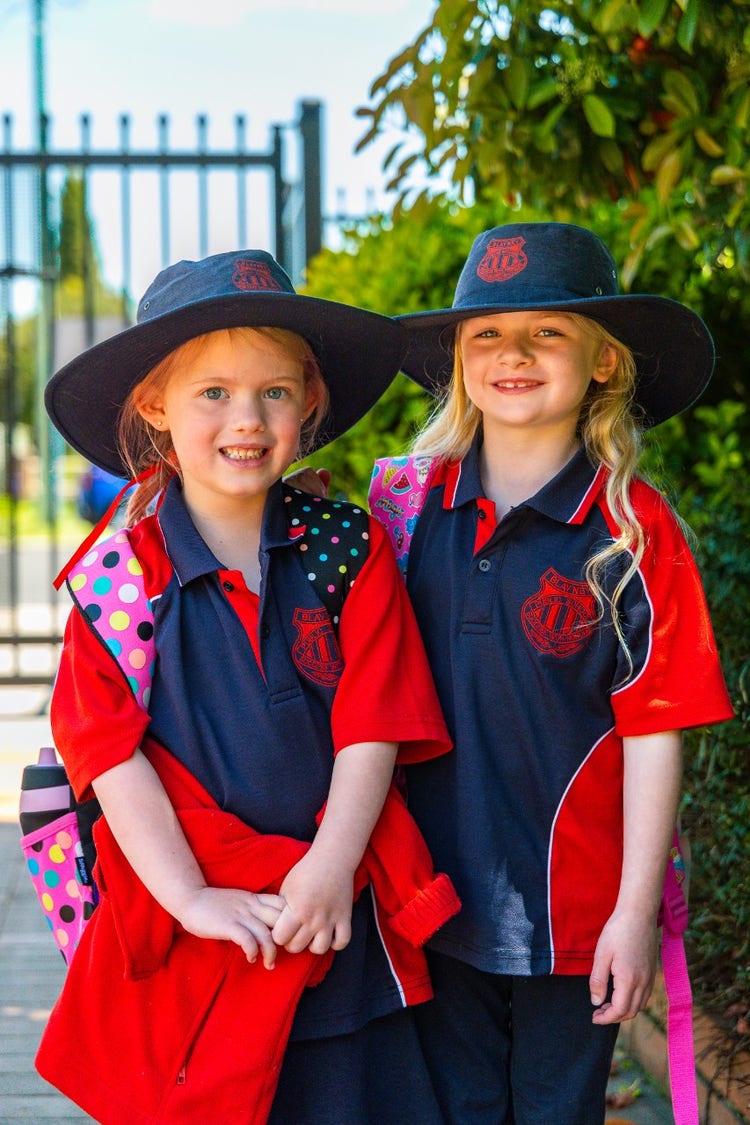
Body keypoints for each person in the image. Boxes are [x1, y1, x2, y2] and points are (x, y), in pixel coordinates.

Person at [304, 222, 735, 1124]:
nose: (514, 355)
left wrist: (633, 911)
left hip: (576, 920)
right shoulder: (402, 506)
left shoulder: (633, 533)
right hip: (429, 897)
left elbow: (654, 736)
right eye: (487, 335)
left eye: (548, 333)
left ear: (605, 362)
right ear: (459, 359)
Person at [35, 249, 460, 1125]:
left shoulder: (347, 548)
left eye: (274, 391)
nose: (248, 418)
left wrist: (330, 868)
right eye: (213, 392)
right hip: (198, 931)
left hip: (331, 919)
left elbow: (373, 723)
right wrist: (190, 896)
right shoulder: (117, 577)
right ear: (154, 404)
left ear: (308, 401)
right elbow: (109, 757)